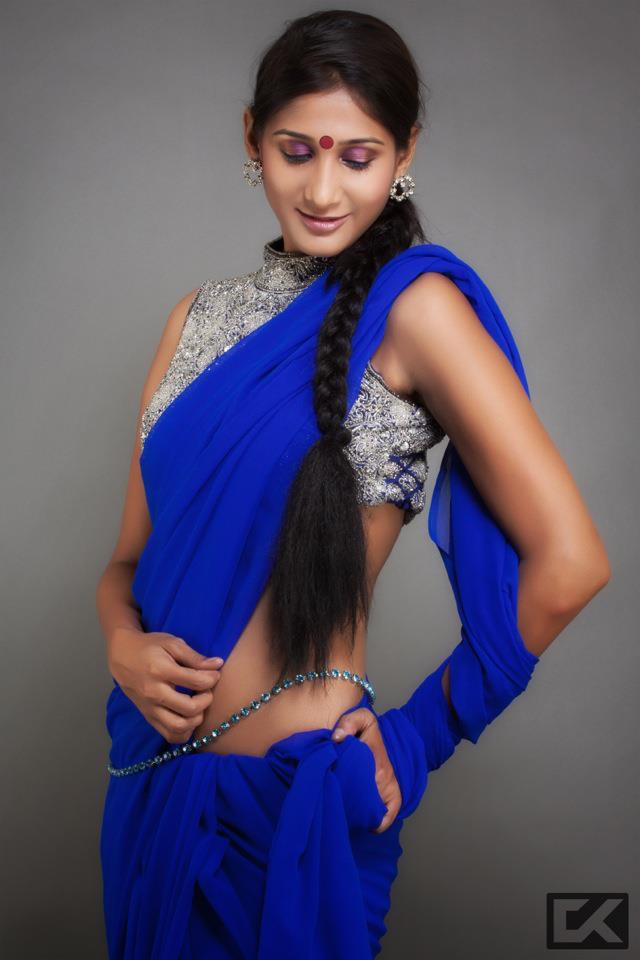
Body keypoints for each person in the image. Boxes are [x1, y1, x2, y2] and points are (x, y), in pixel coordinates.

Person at [95, 10, 610, 958]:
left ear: (405, 153)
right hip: (150, 790)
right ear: (251, 138)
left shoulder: (418, 310)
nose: (323, 189)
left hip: (294, 816)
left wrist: (420, 738)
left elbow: (571, 562)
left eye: (359, 158)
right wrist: (121, 644)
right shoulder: (193, 319)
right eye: (296, 151)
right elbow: (126, 561)